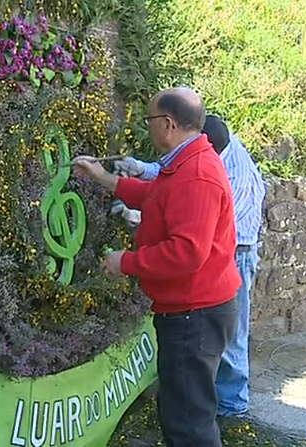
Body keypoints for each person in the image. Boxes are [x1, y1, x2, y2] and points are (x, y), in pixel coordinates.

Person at [73, 87, 241, 447]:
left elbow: (186, 253)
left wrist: (127, 262)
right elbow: (156, 198)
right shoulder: (185, 162)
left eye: (150, 120)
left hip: (194, 315)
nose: (148, 127)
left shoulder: (196, 174)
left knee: (189, 424)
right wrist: (105, 178)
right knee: (181, 410)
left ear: (167, 124)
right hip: (191, 311)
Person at [114, 114, 266, 419]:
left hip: (236, 252)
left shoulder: (217, 175)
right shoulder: (208, 152)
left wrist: (141, 222)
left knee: (232, 338)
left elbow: (193, 235)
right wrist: (140, 170)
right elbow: (173, 173)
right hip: (221, 251)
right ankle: (210, 406)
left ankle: (232, 406)